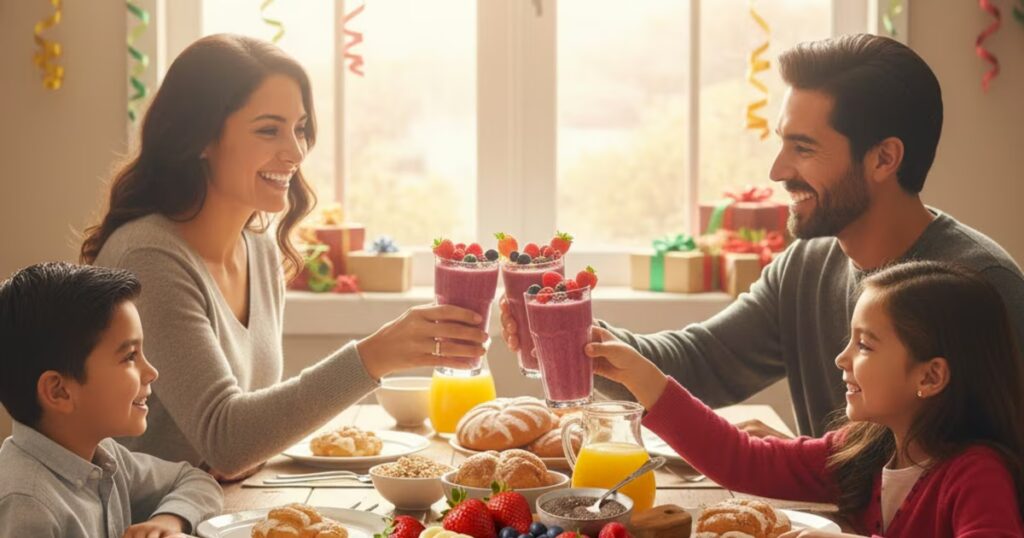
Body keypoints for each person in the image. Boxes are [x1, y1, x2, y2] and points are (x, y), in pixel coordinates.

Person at [500, 33, 1024, 437]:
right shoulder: (809, 263)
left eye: (803, 148)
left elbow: (992, 483)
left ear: (884, 158)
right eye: (782, 143)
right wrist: (570, 336)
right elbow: (698, 364)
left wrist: (789, 459)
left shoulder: (983, 286)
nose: (776, 170)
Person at [80, 34, 487, 479]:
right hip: (147, 522)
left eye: (299, 127)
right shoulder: (150, 257)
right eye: (268, 130)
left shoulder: (257, 247)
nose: (295, 152)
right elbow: (229, 440)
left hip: (220, 509)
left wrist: (238, 448)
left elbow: (245, 439)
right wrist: (375, 357)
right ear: (200, 139)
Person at [591, 261, 1024, 537]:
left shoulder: (977, 477)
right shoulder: (863, 451)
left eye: (866, 346)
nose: (842, 358)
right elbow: (742, 459)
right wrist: (642, 376)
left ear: (930, 376)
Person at [0, 262, 223, 537]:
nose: (151, 372)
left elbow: (195, 480)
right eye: (130, 356)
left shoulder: (105, 456)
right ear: (59, 391)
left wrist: (167, 520)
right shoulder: (27, 505)